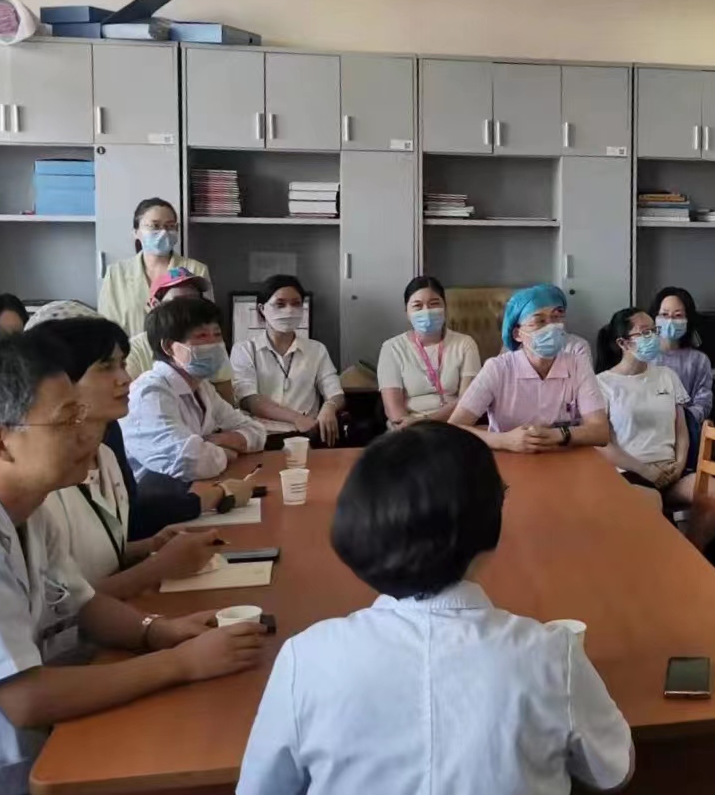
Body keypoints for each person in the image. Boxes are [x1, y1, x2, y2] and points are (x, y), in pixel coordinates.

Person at [237, 422, 633, 795]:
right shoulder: (550, 654)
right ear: (488, 523)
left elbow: (261, 787)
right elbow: (613, 770)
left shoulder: (306, 658)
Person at [0, 335, 265, 795]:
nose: (86, 433)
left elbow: (82, 602)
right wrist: (180, 663)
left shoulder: (27, 506)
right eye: (67, 419)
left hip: (40, 745)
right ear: (0, 443)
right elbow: (24, 698)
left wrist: (156, 632)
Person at [26, 317, 223, 598]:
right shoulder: (45, 481)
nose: (125, 379)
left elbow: (92, 558)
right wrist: (157, 567)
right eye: (106, 367)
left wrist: (149, 546)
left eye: (122, 364)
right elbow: (62, 605)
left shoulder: (105, 454)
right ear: (61, 381)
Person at [594, 307, 715, 541]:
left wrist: (679, 465)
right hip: (629, 473)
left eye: (654, 330)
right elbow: (603, 444)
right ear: (623, 343)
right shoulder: (602, 384)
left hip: (671, 471)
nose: (652, 337)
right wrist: (645, 470)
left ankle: (691, 554)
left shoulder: (667, 375)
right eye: (644, 332)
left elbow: (681, 429)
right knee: (651, 504)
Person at [119, 297, 266, 509]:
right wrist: (227, 452)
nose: (214, 344)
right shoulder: (149, 393)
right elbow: (188, 462)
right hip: (156, 509)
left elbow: (257, 432)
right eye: (201, 336)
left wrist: (218, 441)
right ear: (169, 347)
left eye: (217, 335)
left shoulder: (202, 387)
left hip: (197, 494)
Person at [451, 286, 609, 453]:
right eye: (539, 321)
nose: (552, 327)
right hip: (508, 457)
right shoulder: (497, 368)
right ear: (517, 334)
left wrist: (558, 435)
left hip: (565, 457)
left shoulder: (577, 364)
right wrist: (504, 440)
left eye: (556, 317)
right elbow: (454, 428)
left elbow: (600, 432)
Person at [231, 275, 346, 449]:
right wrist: (297, 418)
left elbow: (335, 392)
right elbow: (250, 400)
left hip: (305, 437)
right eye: (280, 304)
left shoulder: (316, 349)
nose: (289, 310)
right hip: (260, 437)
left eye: (296, 304)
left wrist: (329, 407)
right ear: (262, 309)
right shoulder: (244, 350)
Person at [98, 198, 211, 338]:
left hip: (180, 350)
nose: (163, 232)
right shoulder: (116, 274)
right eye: (155, 226)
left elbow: (208, 323)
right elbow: (106, 328)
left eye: (170, 226)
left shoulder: (196, 270)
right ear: (136, 232)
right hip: (129, 351)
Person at [377, 276, 480, 429]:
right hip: (407, 430)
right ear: (407, 312)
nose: (426, 311)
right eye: (417, 306)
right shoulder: (392, 348)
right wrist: (416, 426)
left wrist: (426, 421)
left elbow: (468, 400)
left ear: (445, 307)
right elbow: (395, 412)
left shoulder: (465, 344)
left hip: (454, 426)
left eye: (434, 304)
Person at [123, 268, 234, 404]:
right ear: (155, 305)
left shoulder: (210, 345)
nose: (190, 311)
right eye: (179, 303)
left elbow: (227, 401)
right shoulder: (133, 351)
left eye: (195, 301)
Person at [647, 286, 713, 466]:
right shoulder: (644, 356)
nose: (670, 321)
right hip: (647, 431)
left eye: (677, 316)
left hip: (686, 433)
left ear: (688, 320)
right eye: (664, 314)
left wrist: (680, 420)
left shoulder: (698, 360)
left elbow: (703, 402)